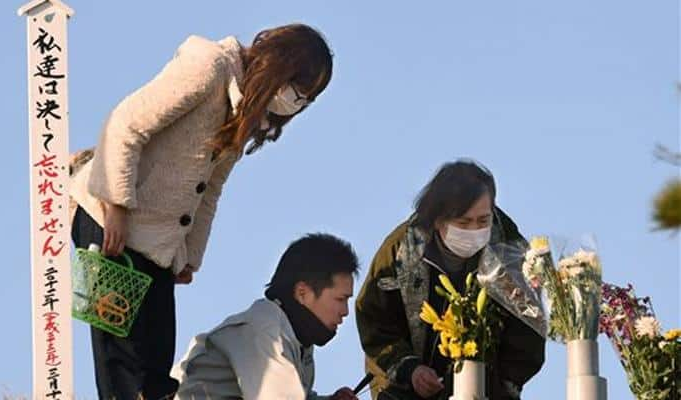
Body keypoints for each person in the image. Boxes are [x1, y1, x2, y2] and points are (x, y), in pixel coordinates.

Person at [70, 23, 333, 400]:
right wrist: (116, 205)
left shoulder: (246, 112)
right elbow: (125, 123)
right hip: (108, 223)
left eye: (306, 100)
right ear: (280, 66)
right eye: (299, 91)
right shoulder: (208, 67)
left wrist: (190, 256)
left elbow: (211, 189)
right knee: (123, 366)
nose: (297, 103)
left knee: (158, 371)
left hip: (158, 245)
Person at [355, 160, 545, 400]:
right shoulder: (400, 252)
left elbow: (529, 325)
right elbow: (375, 322)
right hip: (403, 386)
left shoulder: (509, 250)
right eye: (463, 222)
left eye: (483, 220)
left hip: (483, 385)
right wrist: (410, 370)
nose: (474, 230)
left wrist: (501, 384)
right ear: (437, 219)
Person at [171, 233, 360, 400]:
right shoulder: (268, 335)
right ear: (303, 293)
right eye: (340, 299)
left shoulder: (296, 336)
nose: (345, 311)